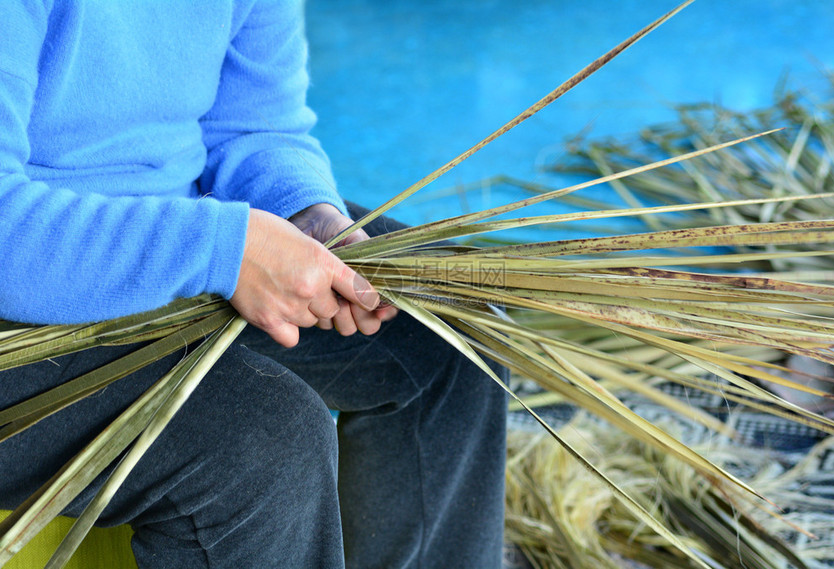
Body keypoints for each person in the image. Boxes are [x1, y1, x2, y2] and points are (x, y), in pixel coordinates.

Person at [0, 2, 508, 567]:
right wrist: (226, 249)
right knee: (265, 441)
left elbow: (254, 125)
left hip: (174, 243)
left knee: (453, 334)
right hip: (21, 306)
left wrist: (308, 213)